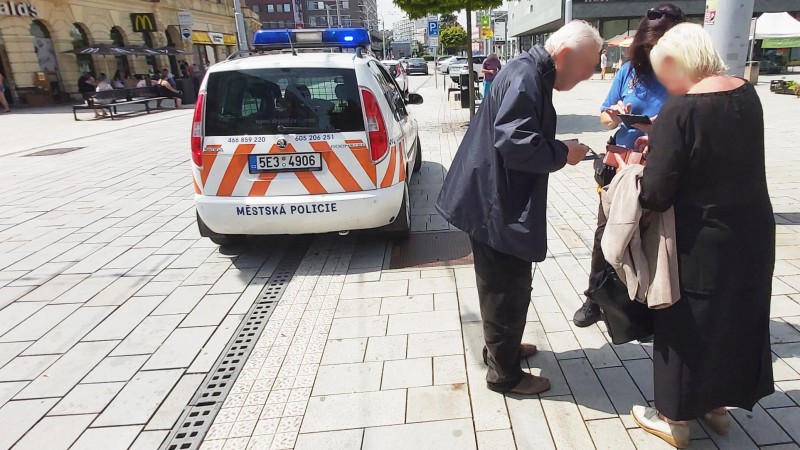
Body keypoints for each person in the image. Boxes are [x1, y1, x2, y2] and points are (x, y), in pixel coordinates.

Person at [620, 23, 775, 448]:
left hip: (698, 238)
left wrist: (642, 158)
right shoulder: (746, 93)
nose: (664, 81)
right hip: (752, 232)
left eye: (663, 71)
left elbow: (655, 193)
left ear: (677, 63)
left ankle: (673, 417)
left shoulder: (681, 109)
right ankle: (718, 406)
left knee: (685, 322)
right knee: (734, 316)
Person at [436, 21, 601, 395]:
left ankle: (500, 351)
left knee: (504, 285)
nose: (589, 75)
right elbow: (515, 143)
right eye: (588, 66)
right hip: (493, 202)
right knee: (506, 288)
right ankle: (504, 375)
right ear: (565, 55)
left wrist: (558, 146)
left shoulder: (528, 71)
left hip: (492, 195)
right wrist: (564, 153)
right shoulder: (527, 76)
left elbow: (517, 135)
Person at [573, 3, 685, 328]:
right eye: (648, 46)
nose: (652, 53)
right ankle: (596, 296)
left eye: (659, 46)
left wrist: (658, 128)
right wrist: (616, 114)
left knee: (657, 235)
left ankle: (651, 305)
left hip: (660, 165)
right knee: (605, 232)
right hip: (620, 164)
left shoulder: (684, 76)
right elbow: (604, 116)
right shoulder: (628, 72)